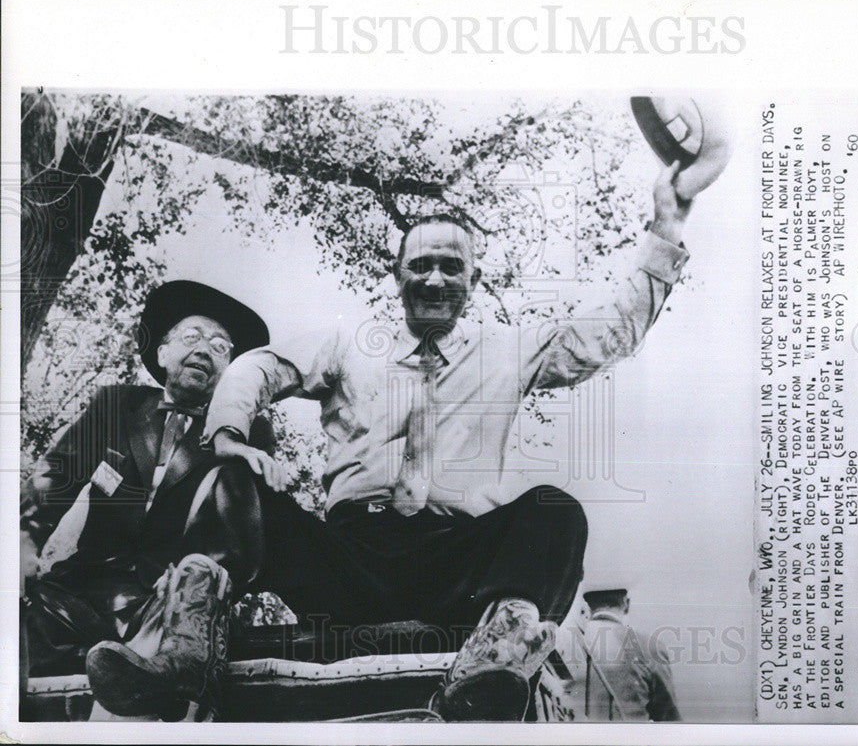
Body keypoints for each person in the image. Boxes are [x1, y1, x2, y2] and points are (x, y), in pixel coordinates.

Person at [204, 161, 699, 720]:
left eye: (450, 266)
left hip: (459, 565)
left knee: (555, 511)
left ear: (473, 281)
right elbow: (258, 366)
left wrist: (668, 224)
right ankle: (178, 646)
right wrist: (229, 437)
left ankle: (502, 648)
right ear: (397, 277)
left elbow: (612, 331)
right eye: (420, 266)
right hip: (346, 559)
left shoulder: (510, 348)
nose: (434, 279)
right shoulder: (345, 346)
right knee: (228, 482)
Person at [21, 280, 274, 720]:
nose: (204, 350)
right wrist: (23, 540)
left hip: (174, 604)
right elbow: (53, 479)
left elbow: (244, 538)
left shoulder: (247, 435)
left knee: (181, 630)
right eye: (191, 337)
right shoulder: (117, 404)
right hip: (79, 593)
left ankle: (161, 681)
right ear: (161, 353)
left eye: (220, 347)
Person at [578, 588, 681, 721]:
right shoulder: (649, 646)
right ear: (626, 604)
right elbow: (668, 716)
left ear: (586, 604)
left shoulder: (572, 638)